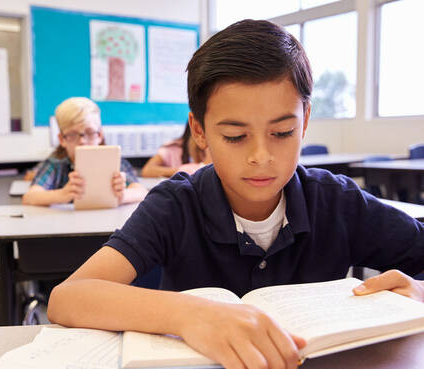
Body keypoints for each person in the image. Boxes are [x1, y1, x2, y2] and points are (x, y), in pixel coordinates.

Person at [47, 20, 424, 369]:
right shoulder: (176, 204)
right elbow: (68, 297)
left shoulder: (337, 201)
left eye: (281, 133)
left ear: (305, 120)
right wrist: (189, 313)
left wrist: (419, 289)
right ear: (199, 130)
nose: (261, 156)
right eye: (235, 136)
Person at [22, 97, 147, 206]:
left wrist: (122, 196)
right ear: (62, 139)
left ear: (100, 135)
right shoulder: (55, 165)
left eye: (90, 133)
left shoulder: (114, 162)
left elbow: (142, 192)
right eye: (72, 134)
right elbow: (30, 197)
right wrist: (62, 194)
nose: (82, 141)